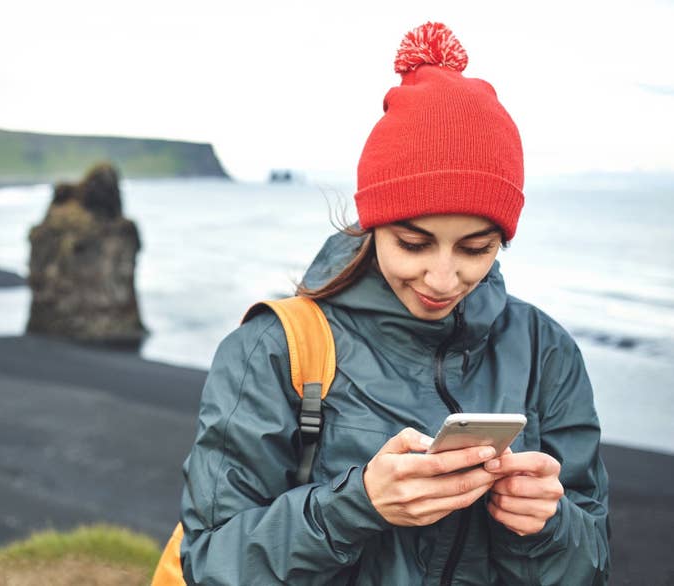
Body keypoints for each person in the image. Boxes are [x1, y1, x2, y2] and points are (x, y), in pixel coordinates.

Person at [177, 22, 610, 585]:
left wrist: (548, 526)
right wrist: (355, 505)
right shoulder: (274, 348)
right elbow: (210, 565)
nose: (442, 276)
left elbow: (593, 562)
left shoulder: (545, 351)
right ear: (373, 225)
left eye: (476, 248)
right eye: (414, 242)